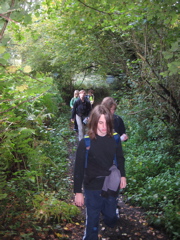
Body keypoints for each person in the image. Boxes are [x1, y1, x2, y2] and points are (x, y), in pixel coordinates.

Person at [74, 104, 126, 240]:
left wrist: (123, 176)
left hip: (110, 183)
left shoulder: (115, 139)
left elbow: (120, 158)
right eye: (100, 122)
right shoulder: (85, 143)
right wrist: (78, 192)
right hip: (92, 186)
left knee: (110, 216)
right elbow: (78, 168)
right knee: (92, 220)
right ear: (94, 122)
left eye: (106, 123)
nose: (104, 127)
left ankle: (109, 215)